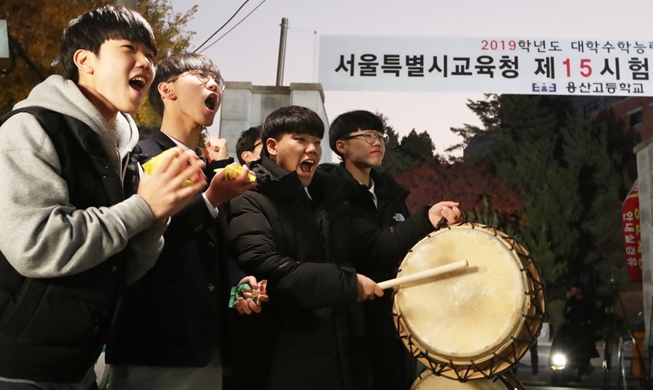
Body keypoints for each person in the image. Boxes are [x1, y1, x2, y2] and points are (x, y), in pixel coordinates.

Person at [0, 5, 207, 389]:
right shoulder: (30, 128)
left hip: (78, 364)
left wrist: (158, 215)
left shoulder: (124, 150)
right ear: (84, 60)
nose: (145, 62)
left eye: (151, 55)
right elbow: (36, 245)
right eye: (130, 48)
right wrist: (143, 207)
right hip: (17, 366)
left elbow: (123, 267)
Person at [227, 105, 461, 390]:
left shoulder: (327, 197)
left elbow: (370, 246)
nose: (311, 149)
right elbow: (266, 267)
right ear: (273, 146)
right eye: (300, 140)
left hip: (340, 350)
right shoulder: (249, 197)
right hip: (282, 355)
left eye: (315, 141)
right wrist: (347, 284)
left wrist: (426, 219)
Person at [105, 53, 263, 390]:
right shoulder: (140, 156)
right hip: (153, 345)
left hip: (207, 347)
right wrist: (211, 200)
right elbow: (141, 237)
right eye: (199, 74)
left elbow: (213, 246)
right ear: (166, 90)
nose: (212, 84)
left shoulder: (211, 169)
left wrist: (238, 281)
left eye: (216, 80)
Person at [320, 109, 416, 389]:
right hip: (351, 317)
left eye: (380, 136)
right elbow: (370, 247)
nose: (378, 142)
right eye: (367, 135)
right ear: (341, 146)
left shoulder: (391, 193)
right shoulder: (330, 193)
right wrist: (426, 219)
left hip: (393, 319)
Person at [560, 282, 599, 381]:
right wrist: (567, 311)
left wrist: (593, 326)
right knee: (571, 352)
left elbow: (594, 315)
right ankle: (572, 371)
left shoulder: (587, 301)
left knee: (584, 353)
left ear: (579, 290)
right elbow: (564, 314)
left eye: (574, 288)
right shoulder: (571, 301)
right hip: (572, 331)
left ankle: (580, 372)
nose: (572, 290)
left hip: (584, 330)